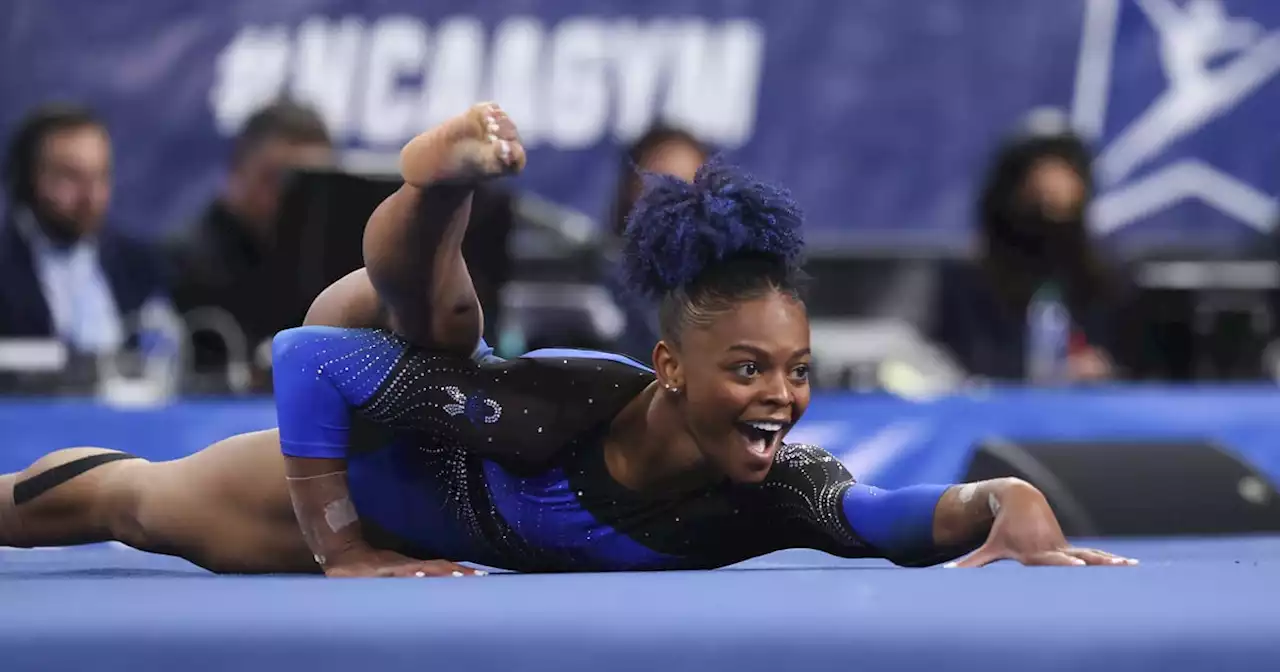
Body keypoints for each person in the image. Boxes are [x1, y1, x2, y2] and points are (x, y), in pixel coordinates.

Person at [0, 104, 1136, 576]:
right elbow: (304, 364)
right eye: (745, 370)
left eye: (794, 372)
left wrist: (1010, 510)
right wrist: (344, 548)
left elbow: (905, 519)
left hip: (418, 420)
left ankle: (441, 203)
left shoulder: (774, 488)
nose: (778, 399)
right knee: (130, 503)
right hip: (367, 458)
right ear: (670, 368)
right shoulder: (562, 410)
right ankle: (438, 193)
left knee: (440, 324)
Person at [929, 117, 1133, 382]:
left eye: (1067, 172)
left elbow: (1131, 368)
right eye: (1040, 173)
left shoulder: (1103, 281)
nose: (1054, 187)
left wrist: (1098, 370)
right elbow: (960, 366)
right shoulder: (969, 281)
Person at [0, 103, 168, 354]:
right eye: (71, 177)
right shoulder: (6, 265)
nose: (91, 196)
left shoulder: (136, 264)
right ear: (28, 179)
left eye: (100, 176)